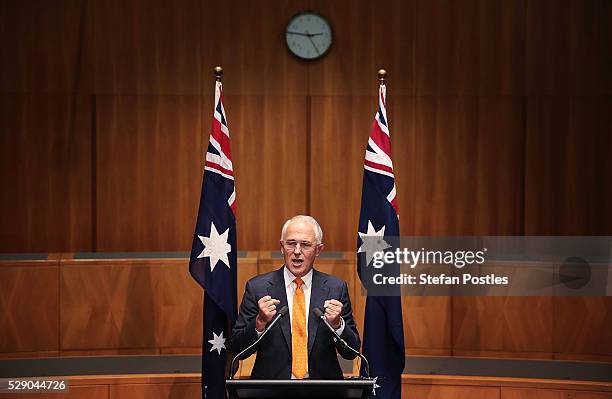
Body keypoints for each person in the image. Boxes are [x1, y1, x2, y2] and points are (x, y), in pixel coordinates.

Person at [230, 215, 361, 379]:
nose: (297, 251)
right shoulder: (258, 288)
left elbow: (352, 351)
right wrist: (259, 322)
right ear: (282, 247)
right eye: (291, 244)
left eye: (305, 245)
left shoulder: (336, 288)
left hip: (322, 390)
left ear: (318, 250)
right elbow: (238, 349)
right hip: (272, 390)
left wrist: (337, 325)